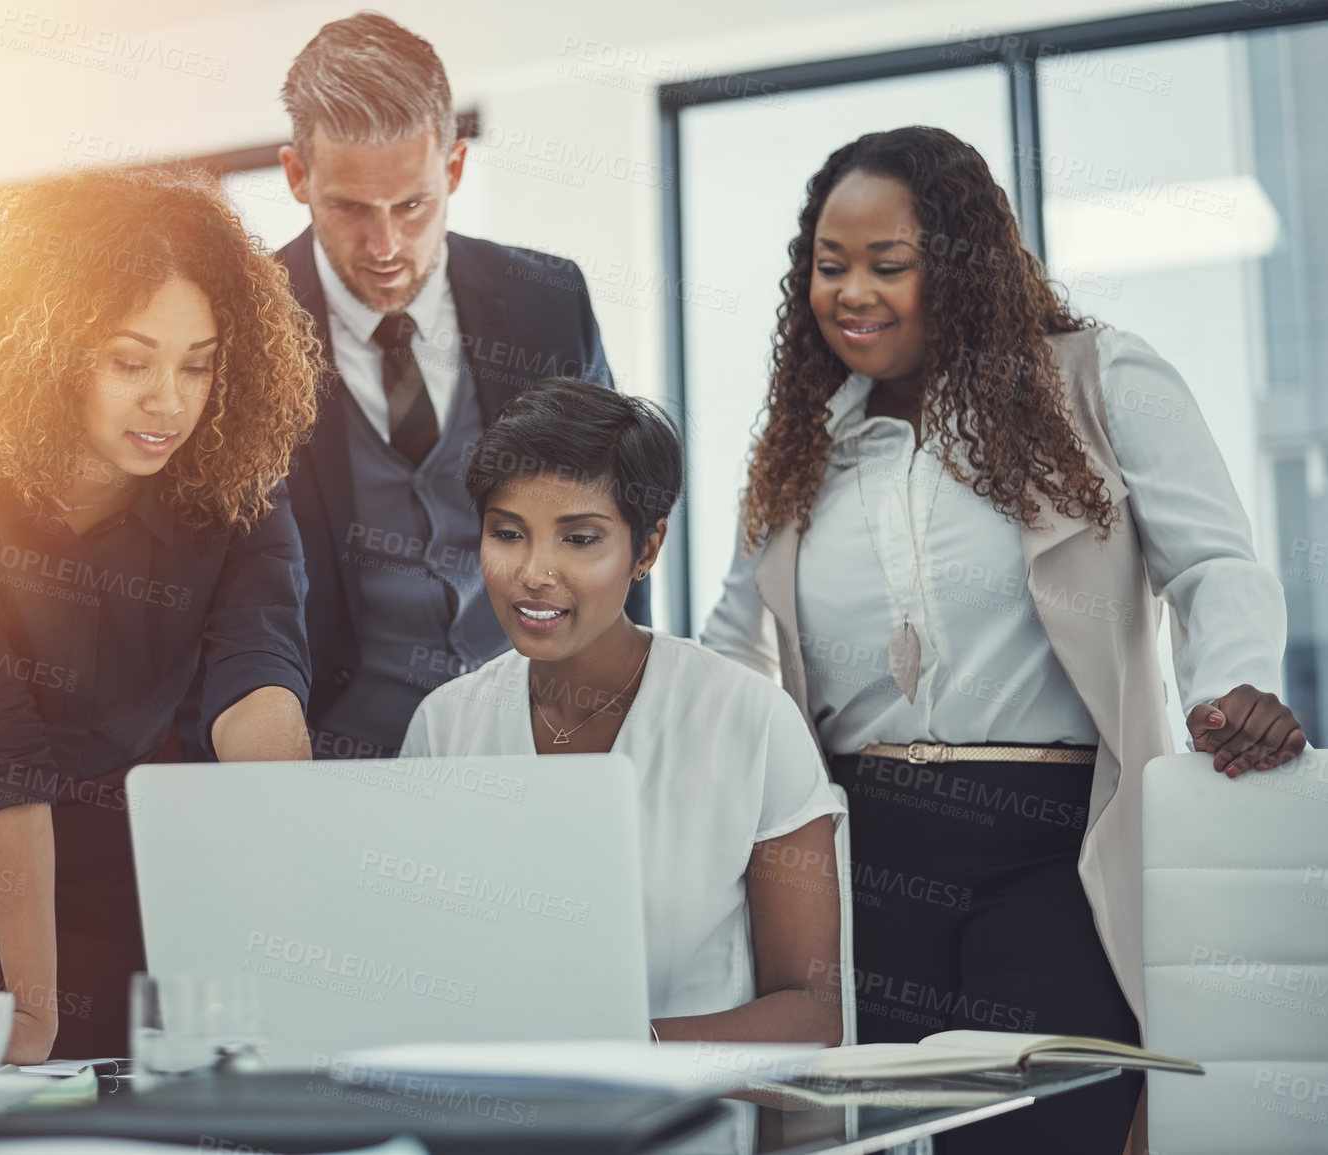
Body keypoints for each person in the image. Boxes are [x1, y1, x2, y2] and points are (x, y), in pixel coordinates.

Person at [701, 125, 1302, 1154]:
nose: (852, 292)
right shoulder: (802, 442)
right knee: (872, 1135)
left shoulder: (1097, 379)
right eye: (829, 265)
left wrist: (1236, 683)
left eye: (888, 265)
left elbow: (1214, 564)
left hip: (1055, 841)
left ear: (965, 267)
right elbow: (733, 650)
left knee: (1051, 1129)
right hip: (864, 850)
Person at [0, 167, 320, 1063]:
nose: (168, 402)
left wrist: (305, 930)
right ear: (47, 349)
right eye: (129, 361)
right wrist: (31, 1010)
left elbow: (257, 687)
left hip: (125, 859)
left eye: (198, 363)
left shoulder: (238, 481)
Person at [402, 377, 845, 1044]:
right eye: (508, 533)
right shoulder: (444, 726)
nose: (534, 571)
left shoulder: (749, 720)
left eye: (578, 538)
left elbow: (811, 1012)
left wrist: (626, 1054)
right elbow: (415, 973)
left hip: (688, 1127)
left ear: (646, 548)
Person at [273, 12, 642, 760]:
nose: (384, 247)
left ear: (453, 169)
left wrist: (628, 723)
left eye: (411, 205)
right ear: (296, 177)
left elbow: (614, 517)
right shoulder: (244, 324)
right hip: (327, 755)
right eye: (349, 208)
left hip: (531, 742)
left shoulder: (546, 301)